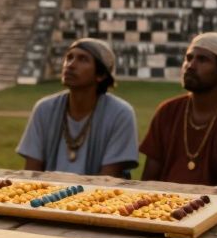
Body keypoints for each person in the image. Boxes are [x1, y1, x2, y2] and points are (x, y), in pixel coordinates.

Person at [139, 33, 217, 187]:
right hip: (163, 206)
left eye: (202, 60)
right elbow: (148, 181)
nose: (190, 66)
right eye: (189, 58)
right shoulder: (167, 112)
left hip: (216, 208)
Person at [18, 39, 138, 178]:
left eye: (83, 59)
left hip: (96, 197)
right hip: (46, 196)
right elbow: (31, 173)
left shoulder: (121, 114)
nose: (70, 65)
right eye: (69, 57)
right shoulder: (44, 109)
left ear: (101, 75)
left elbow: (108, 179)